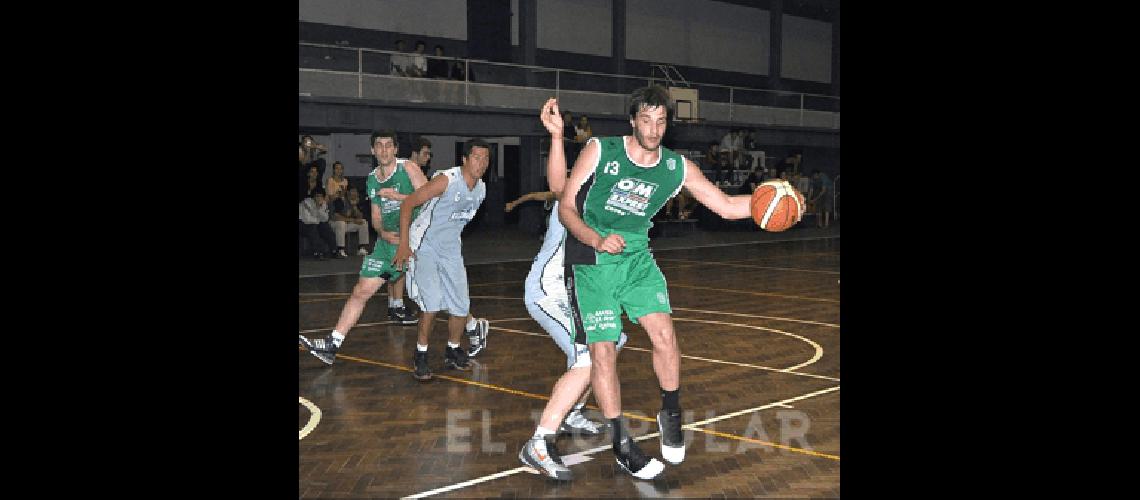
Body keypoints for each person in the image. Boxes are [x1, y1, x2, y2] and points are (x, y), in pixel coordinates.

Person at [558, 85, 757, 480]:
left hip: (637, 260)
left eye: (661, 121)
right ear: (633, 120)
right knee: (603, 353)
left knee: (665, 335)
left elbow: (728, 206)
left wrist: (775, 200)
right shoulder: (601, 150)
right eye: (646, 120)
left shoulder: (676, 167)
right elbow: (566, 207)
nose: (653, 129)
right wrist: (596, 238)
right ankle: (620, 443)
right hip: (593, 258)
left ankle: (670, 411)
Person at [514, 98, 630, 480]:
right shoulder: (575, 198)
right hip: (547, 292)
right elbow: (557, 183)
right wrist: (558, 136)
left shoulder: (608, 207)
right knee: (589, 357)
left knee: (611, 342)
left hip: (574, 293)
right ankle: (540, 442)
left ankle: (573, 412)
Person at [298, 130, 429, 365]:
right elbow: (376, 219)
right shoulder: (371, 179)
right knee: (361, 290)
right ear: (373, 150)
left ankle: (471, 326)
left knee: (436, 295)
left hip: (417, 238)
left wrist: (397, 196)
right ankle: (332, 344)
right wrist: (382, 233)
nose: (384, 150)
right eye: (379, 145)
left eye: (389, 145)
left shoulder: (407, 168)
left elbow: (428, 197)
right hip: (388, 244)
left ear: (395, 149)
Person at [393, 139, 492, 380]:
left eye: (486, 159)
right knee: (432, 304)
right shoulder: (447, 180)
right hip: (424, 246)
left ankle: (453, 349)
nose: (482, 163)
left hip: (450, 249)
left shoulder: (481, 189)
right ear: (465, 160)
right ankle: (421, 354)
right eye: (477, 158)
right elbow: (408, 204)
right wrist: (404, 244)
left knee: (461, 304)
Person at [330, 187, 371, 258]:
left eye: (356, 192)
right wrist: (353, 220)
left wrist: (354, 207)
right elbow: (337, 217)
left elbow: (360, 217)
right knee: (341, 223)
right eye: (353, 191)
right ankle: (340, 250)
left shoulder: (355, 202)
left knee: (363, 222)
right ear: (348, 192)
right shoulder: (339, 200)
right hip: (333, 223)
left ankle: (361, 248)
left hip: (346, 224)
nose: (355, 193)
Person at [298, 188, 337, 260]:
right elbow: (307, 220)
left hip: (315, 223)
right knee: (313, 229)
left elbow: (325, 218)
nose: (319, 198)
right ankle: (317, 253)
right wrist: (318, 219)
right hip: (302, 224)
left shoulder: (323, 203)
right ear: (313, 196)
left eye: (321, 196)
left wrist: (318, 208)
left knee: (326, 227)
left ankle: (334, 251)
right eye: (317, 196)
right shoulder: (306, 203)